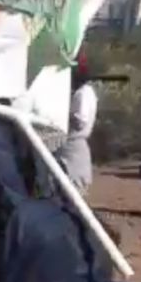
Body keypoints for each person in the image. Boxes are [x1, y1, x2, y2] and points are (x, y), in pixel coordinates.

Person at [55, 54, 97, 195]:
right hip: (72, 146)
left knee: (73, 188)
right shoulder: (84, 92)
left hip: (74, 145)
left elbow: (80, 121)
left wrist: (60, 115)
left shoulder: (82, 93)